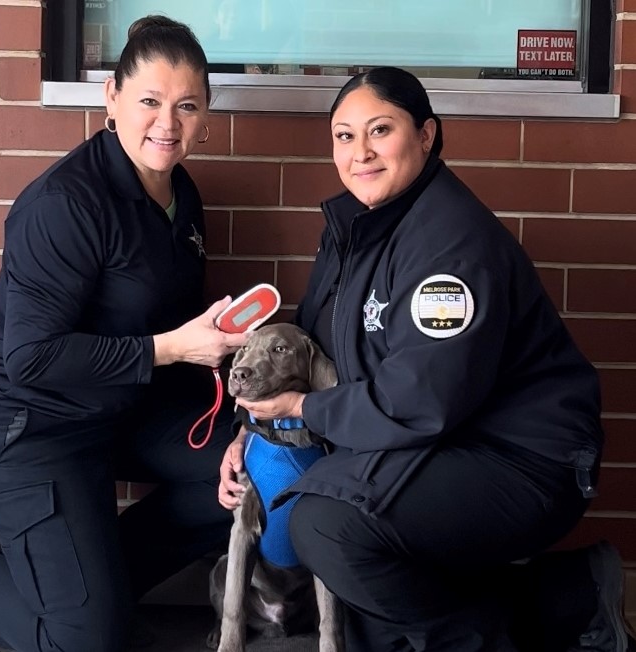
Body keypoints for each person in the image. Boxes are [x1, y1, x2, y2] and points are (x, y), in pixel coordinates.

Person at [219, 66, 635, 652]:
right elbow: (312, 352)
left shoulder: (449, 241)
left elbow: (422, 401)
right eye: (343, 135)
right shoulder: (355, 229)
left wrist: (306, 410)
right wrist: (253, 432)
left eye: (379, 130)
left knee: (327, 528)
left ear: (427, 135)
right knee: (363, 601)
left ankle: (480, 638)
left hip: (520, 457)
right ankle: (573, 594)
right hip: (443, 440)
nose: (359, 152)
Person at [0, 15, 247, 652]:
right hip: (31, 425)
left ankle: (90, 579)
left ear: (206, 117)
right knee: (83, 639)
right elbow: (31, 356)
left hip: (122, 410)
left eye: (186, 106)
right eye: (150, 101)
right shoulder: (63, 204)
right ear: (111, 96)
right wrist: (173, 348)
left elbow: (163, 326)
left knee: (247, 472)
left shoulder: (182, 197)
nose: (167, 123)